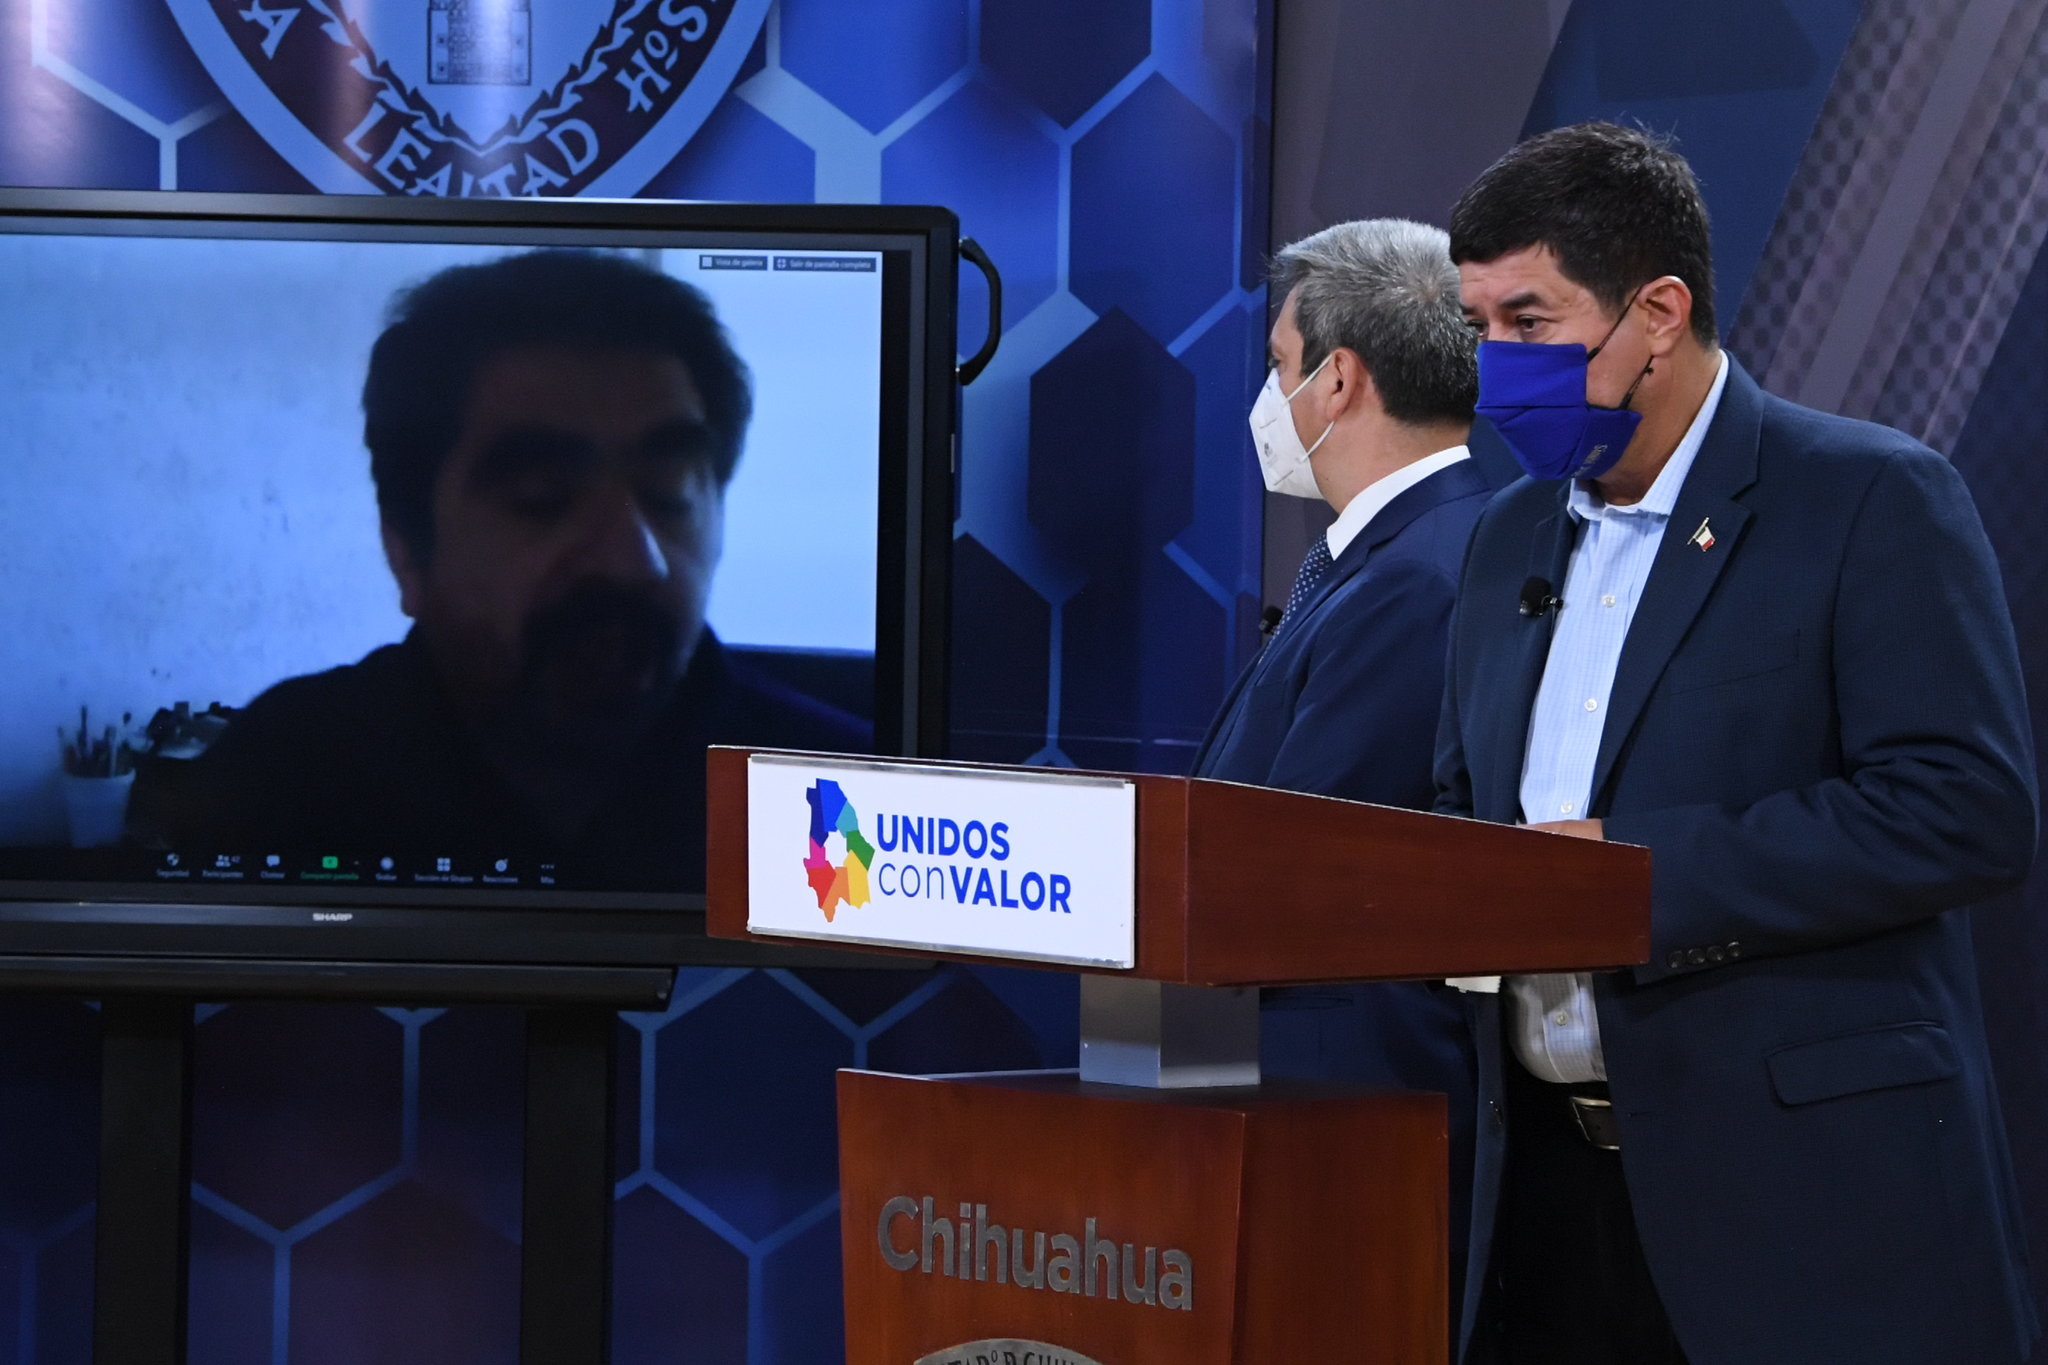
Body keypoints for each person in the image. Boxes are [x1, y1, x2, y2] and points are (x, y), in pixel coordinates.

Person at [1435, 122, 2037, 1365]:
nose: (1495, 370)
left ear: (1657, 313)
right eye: (1476, 326)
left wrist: (1628, 881)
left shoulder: (1867, 498)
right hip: (1541, 1205)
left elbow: (1961, 807)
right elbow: (1461, 804)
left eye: (1527, 323)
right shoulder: (1503, 538)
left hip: (1799, 1203)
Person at [157, 249, 864, 890]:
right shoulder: (277, 776)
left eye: (670, 494)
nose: (634, 560)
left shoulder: (840, 795)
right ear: (405, 548)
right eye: (543, 499)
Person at [1190, 217, 1489, 1316]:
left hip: (1344, 1099)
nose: (1270, 399)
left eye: (1279, 365)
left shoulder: (1420, 574)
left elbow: (1302, 859)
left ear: (1340, 380)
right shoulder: (1390, 554)